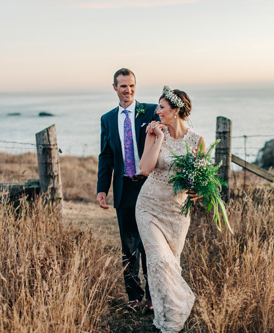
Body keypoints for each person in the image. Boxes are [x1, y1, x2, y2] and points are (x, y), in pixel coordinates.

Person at [136, 86, 203, 332]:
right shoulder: (154, 132)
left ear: (175, 111)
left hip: (176, 213)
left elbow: (199, 181)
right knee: (159, 261)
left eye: (162, 107)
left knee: (170, 264)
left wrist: (197, 192)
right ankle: (171, 322)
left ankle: (167, 315)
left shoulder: (197, 141)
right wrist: (159, 138)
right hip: (149, 207)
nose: (157, 111)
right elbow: (145, 168)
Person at [96, 68, 159, 312]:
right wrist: (103, 188)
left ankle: (153, 299)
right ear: (115, 88)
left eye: (131, 85)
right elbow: (106, 155)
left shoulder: (151, 111)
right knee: (129, 246)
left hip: (148, 187)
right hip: (123, 188)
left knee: (150, 245)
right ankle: (134, 297)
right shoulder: (107, 119)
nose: (128, 90)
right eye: (123, 86)